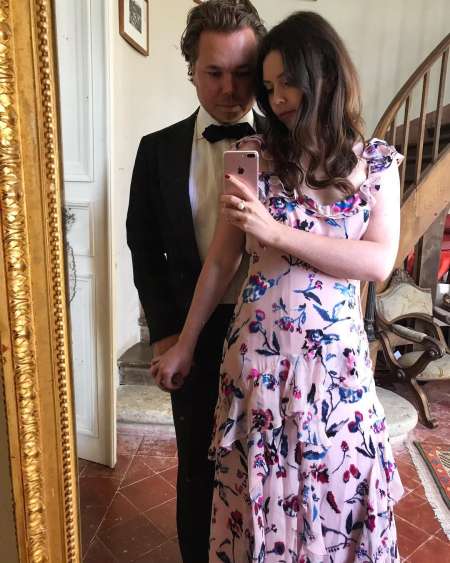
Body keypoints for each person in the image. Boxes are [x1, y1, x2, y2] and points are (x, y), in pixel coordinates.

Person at [153, 10, 405, 563]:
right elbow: (221, 261)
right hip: (258, 369)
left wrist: (276, 233)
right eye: (268, 87)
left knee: (338, 500)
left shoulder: (378, 163)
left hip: (336, 373)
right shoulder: (253, 155)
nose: (278, 98)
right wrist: (185, 344)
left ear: (325, 73)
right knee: (256, 503)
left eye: (288, 81)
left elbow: (378, 261)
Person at [126, 2, 266, 562]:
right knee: (197, 466)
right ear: (191, 71)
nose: (229, 88)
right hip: (193, 330)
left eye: (243, 72)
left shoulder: (290, 148)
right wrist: (166, 334)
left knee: (264, 466)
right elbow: (144, 249)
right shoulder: (156, 150)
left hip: (267, 333)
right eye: (214, 72)